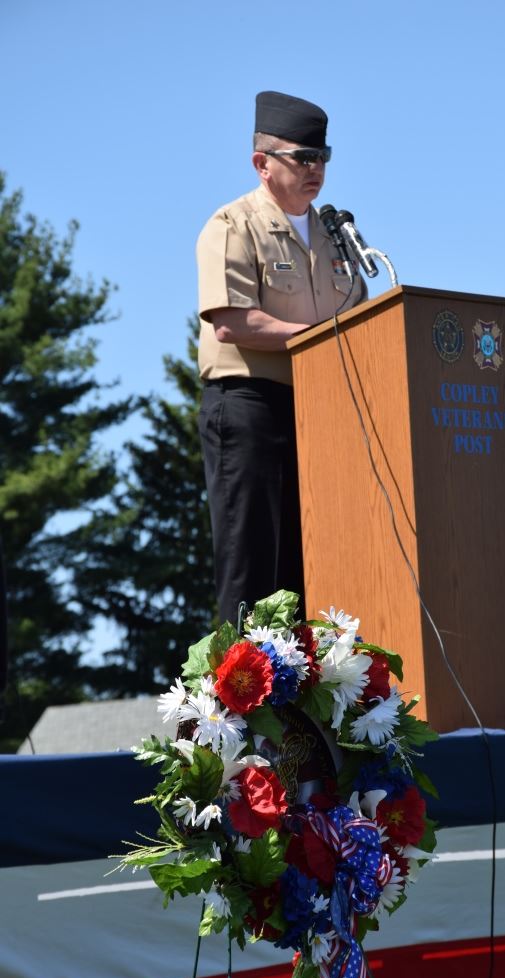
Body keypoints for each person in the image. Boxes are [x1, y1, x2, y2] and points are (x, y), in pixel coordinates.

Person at [196, 91, 366, 627]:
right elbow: (233, 321)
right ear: (262, 163)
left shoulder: (337, 237)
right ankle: (238, 702)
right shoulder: (232, 225)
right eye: (303, 158)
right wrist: (317, 336)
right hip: (250, 407)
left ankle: (300, 706)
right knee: (252, 573)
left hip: (318, 412)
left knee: (309, 570)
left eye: (323, 158)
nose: (316, 170)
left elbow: (364, 318)